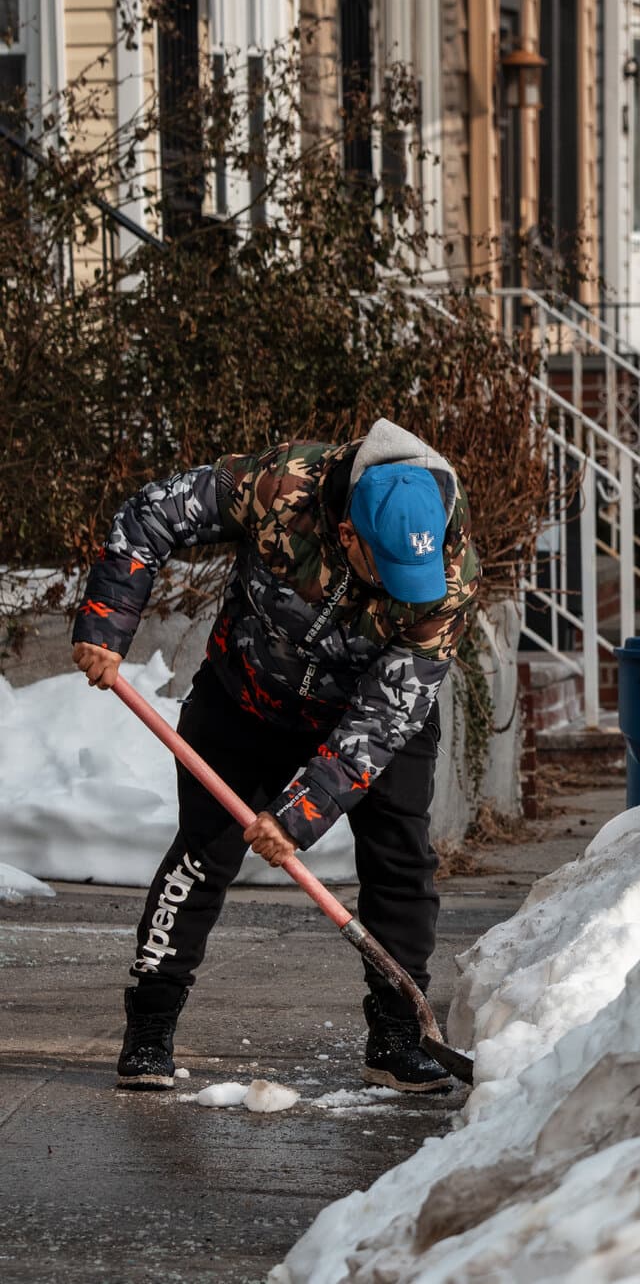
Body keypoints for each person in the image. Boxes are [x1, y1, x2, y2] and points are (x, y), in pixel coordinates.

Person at [69, 419, 479, 1093]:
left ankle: (399, 1037)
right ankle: (149, 1024)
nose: (408, 592)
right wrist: (109, 620)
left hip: (365, 711)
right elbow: (152, 513)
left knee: (402, 859)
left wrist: (300, 811)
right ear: (347, 535)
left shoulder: (447, 579)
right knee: (206, 851)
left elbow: (387, 712)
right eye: (391, 571)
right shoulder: (280, 485)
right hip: (249, 694)